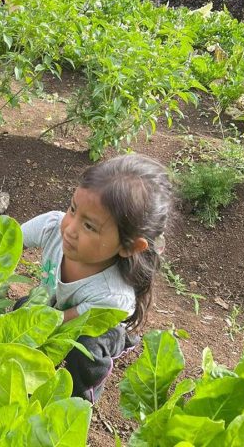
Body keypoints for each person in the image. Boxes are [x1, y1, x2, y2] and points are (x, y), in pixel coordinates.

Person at [21, 154, 171, 402]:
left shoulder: (113, 295)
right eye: (72, 209)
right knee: (19, 311)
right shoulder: (52, 226)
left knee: (85, 353)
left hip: (93, 326)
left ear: (129, 246)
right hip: (55, 309)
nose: (70, 228)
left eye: (89, 226)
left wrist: (26, 330)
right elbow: (3, 243)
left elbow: (61, 323)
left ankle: (79, 402)